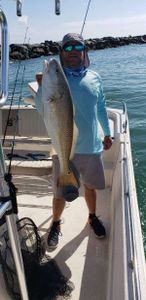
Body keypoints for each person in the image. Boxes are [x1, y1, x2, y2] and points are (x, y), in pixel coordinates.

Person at [36, 33, 112, 249]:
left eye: (77, 47)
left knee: (90, 188)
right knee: (60, 193)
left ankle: (92, 217)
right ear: (61, 53)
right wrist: (42, 86)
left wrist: (107, 133)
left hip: (91, 147)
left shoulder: (95, 78)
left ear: (84, 51)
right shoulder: (56, 78)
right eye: (67, 49)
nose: (72, 52)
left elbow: (101, 107)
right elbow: (42, 108)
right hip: (64, 148)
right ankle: (56, 223)